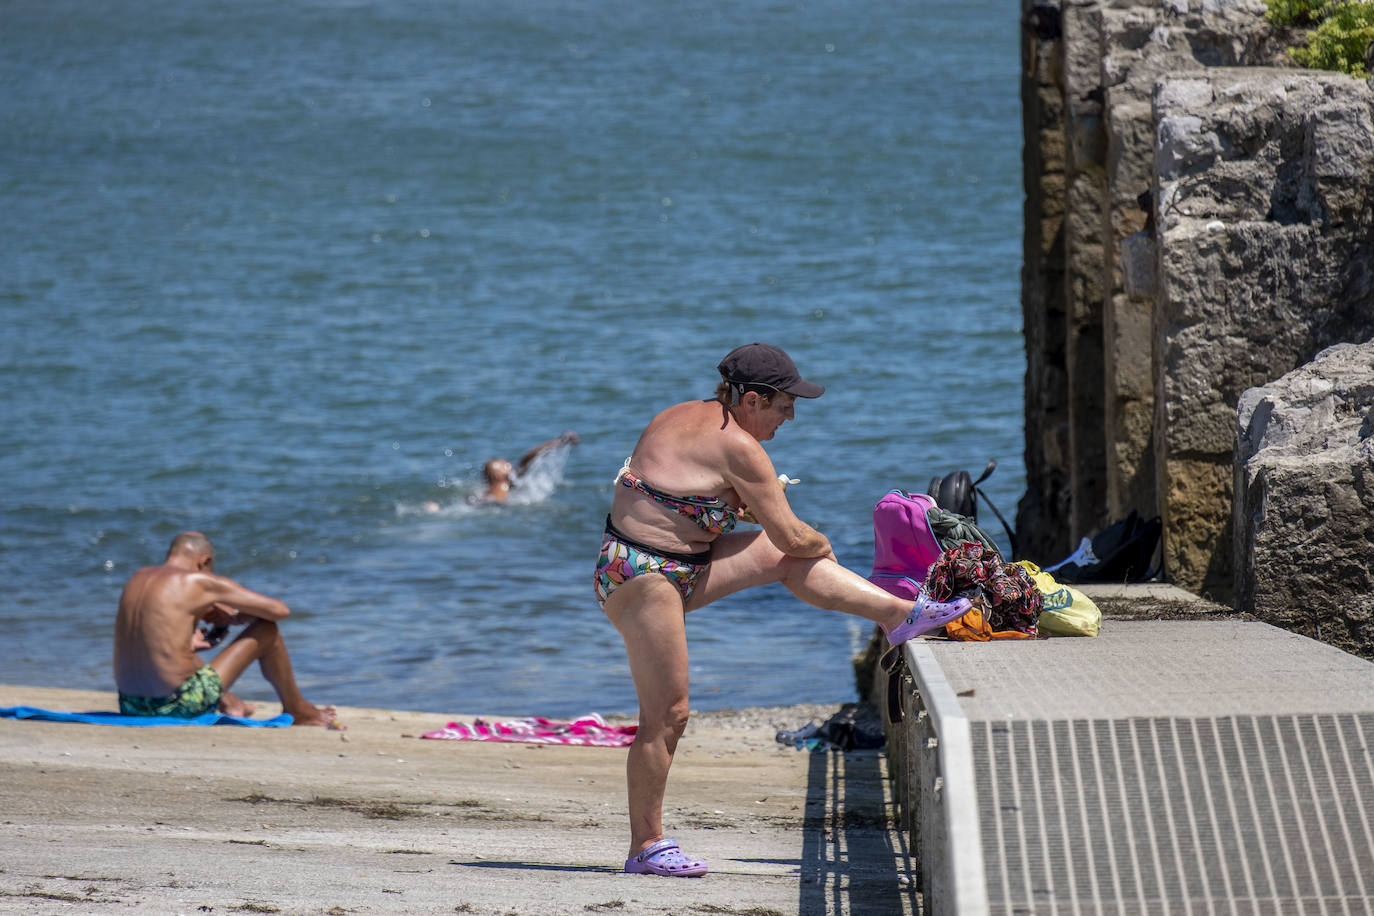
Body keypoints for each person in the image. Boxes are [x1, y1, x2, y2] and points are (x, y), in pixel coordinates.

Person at [594, 342, 972, 878]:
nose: (790, 416)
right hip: (643, 576)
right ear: (751, 399)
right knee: (668, 714)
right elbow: (792, 533)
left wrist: (756, 518)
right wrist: (825, 546)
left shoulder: (682, 415)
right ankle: (645, 847)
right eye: (784, 405)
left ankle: (895, 613)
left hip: (674, 561)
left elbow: (687, 497)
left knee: (782, 559)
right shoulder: (741, 449)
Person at [112, 531, 342, 727]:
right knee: (267, 630)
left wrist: (190, 640)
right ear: (204, 562)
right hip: (177, 706)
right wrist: (236, 617)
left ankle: (232, 703)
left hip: (130, 705)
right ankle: (298, 709)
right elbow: (279, 610)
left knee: (182, 652)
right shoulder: (198, 581)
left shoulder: (138, 577)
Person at [478, 430, 579, 503]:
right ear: (500, 474)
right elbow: (528, 457)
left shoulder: (485, 492)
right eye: (505, 464)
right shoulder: (506, 481)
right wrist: (560, 440)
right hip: (497, 506)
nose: (509, 465)